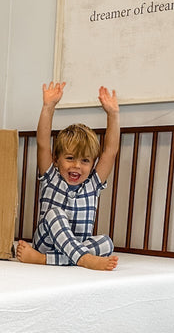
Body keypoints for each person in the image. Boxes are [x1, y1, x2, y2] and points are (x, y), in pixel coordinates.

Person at [16, 81, 120, 272]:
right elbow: (43, 144)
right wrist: (48, 107)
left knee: (106, 242)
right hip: (47, 241)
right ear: (56, 160)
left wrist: (113, 115)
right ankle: (85, 260)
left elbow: (110, 152)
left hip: (76, 246)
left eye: (85, 161)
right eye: (70, 158)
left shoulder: (92, 185)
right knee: (55, 213)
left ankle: (44, 260)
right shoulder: (51, 178)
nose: (77, 166)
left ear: (93, 163)